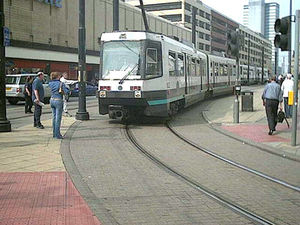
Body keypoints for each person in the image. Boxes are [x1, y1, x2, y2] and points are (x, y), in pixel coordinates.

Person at [49, 72, 69, 139]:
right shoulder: (60, 83)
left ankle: (54, 133)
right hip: (58, 100)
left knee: (54, 117)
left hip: (52, 99)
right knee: (58, 118)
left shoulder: (50, 83)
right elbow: (66, 92)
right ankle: (58, 135)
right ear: (58, 77)